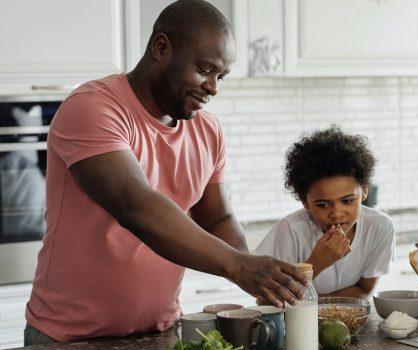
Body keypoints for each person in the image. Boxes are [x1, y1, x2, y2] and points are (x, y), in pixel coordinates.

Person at [24, 0, 306, 345]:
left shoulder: (207, 130)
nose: (213, 87)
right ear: (161, 47)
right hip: (70, 339)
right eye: (205, 70)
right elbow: (136, 207)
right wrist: (238, 266)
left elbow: (217, 217)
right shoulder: (93, 108)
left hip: (161, 333)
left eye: (221, 76)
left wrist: (256, 274)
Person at [255, 126, 395, 299]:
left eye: (347, 201)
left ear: (364, 191)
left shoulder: (380, 227)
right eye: (323, 205)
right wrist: (316, 263)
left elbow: (363, 291)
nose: (336, 213)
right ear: (305, 201)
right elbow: (265, 300)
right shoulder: (290, 230)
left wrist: (317, 306)